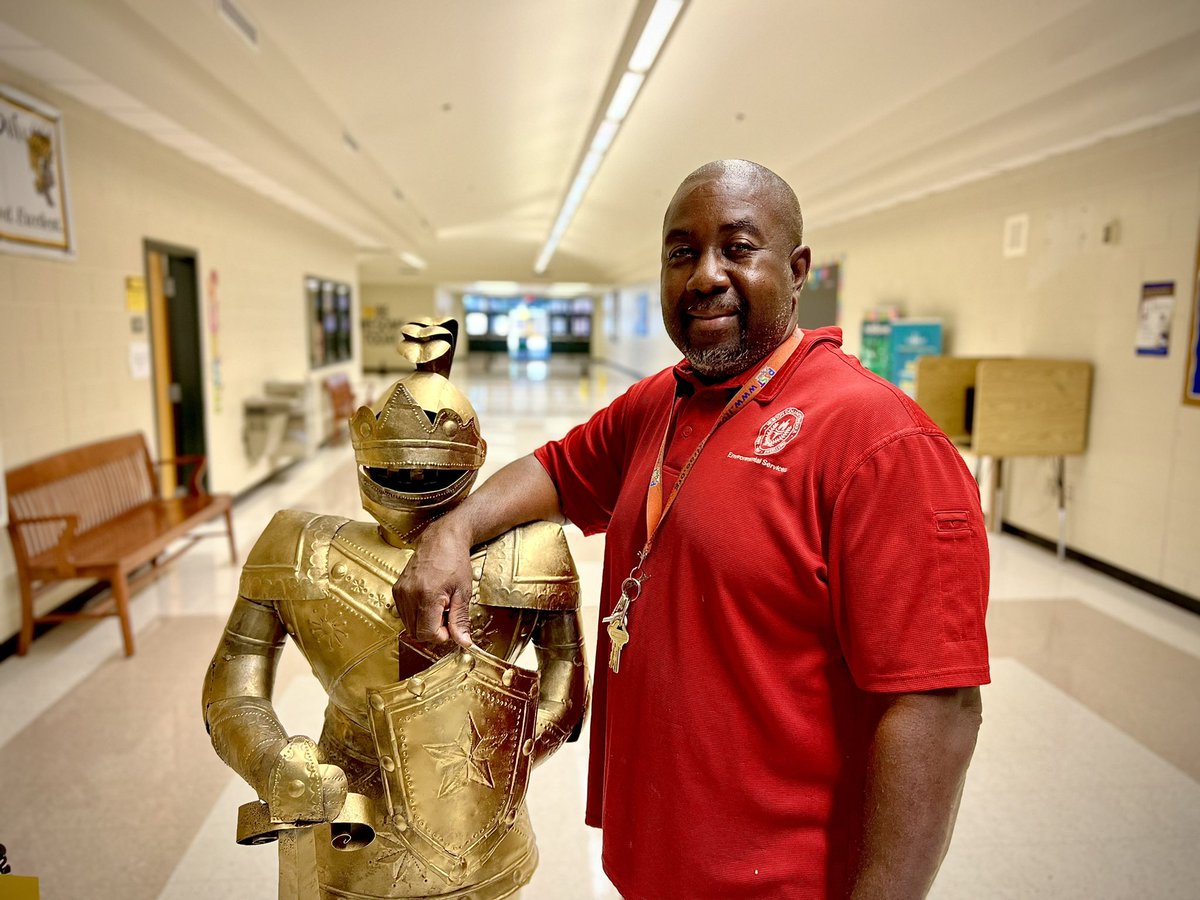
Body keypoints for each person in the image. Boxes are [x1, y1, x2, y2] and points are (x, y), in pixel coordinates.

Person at [393, 160, 989, 899]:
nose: (705, 275)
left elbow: (936, 706)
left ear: (797, 269)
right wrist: (452, 529)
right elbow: (556, 469)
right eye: (683, 252)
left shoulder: (880, 443)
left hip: (782, 881)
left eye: (738, 248)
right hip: (655, 854)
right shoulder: (666, 401)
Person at [203, 321, 589, 900]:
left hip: (482, 828)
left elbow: (567, 689)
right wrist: (273, 761)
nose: (411, 484)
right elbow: (234, 681)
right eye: (394, 470)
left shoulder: (528, 550)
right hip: (345, 813)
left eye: (429, 472)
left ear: (474, 458)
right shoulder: (296, 544)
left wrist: (499, 764)